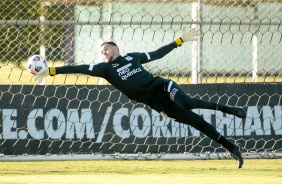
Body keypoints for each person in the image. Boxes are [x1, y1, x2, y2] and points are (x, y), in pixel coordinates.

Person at [32, 26, 245, 168]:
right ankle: (232, 148)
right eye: (101, 51)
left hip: (162, 86)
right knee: (196, 123)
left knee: (188, 103)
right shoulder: (105, 70)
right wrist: (50, 71)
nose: (103, 53)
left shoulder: (133, 57)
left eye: (106, 48)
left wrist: (179, 40)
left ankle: (231, 110)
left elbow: (157, 54)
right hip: (155, 102)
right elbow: (78, 68)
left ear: (116, 47)